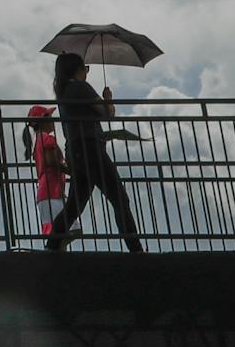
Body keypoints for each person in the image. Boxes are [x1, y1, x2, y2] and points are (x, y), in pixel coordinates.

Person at [46, 51, 144, 253]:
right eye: (86, 68)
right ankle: (136, 250)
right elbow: (108, 114)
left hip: (75, 151)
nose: (87, 73)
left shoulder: (64, 92)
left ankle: (52, 246)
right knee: (119, 198)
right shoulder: (80, 87)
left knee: (74, 206)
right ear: (78, 69)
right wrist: (108, 98)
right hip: (90, 148)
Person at [22, 103, 71, 240]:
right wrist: (71, 171)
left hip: (48, 193)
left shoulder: (39, 140)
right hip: (52, 193)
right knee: (65, 233)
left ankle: (59, 259)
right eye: (50, 116)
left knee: (60, 234)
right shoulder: (47, 139)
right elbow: (51, 162)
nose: (53, 120)